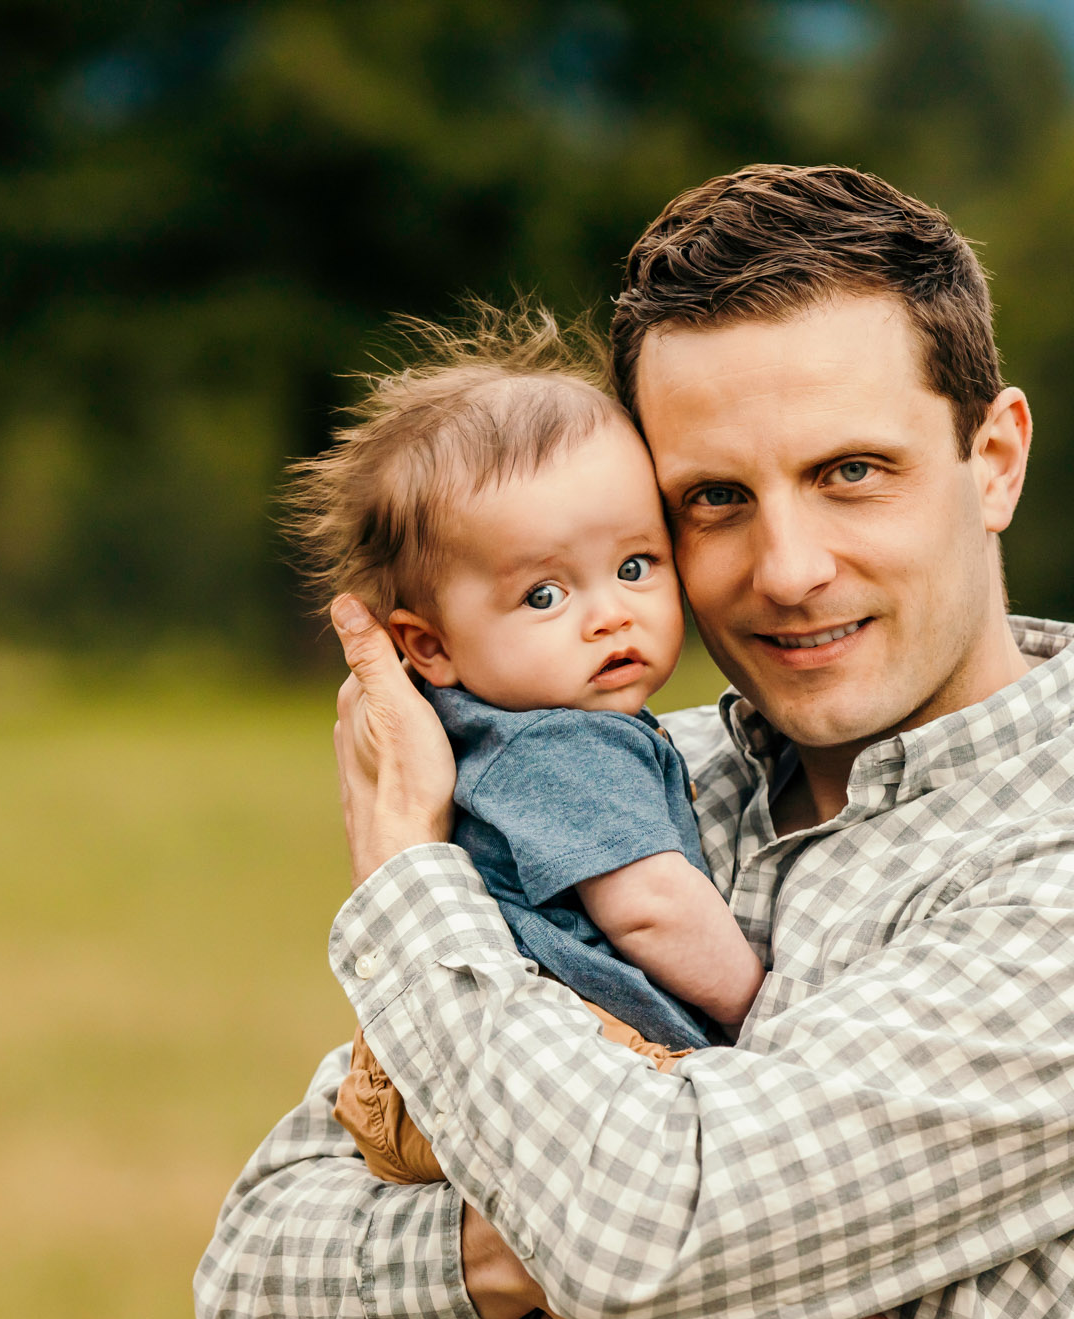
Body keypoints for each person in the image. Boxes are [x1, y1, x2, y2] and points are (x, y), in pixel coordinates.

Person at [195, 164, 1074, 1319]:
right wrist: (540, 1237)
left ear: (994, 459)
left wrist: (412, 880)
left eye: (849, 473)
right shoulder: (634, 771)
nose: (787, 569)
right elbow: (252, 1277)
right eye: (714, 498)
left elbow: (638, 1243)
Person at [277, 310, 765, 1187]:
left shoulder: (490, 734)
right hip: (565, 1061)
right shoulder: (565, 745)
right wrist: (764, 1008)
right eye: (544, 593)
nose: (609, 613)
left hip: (421, 1076)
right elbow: (650, 907)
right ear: (428, 647)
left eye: (634, 565)